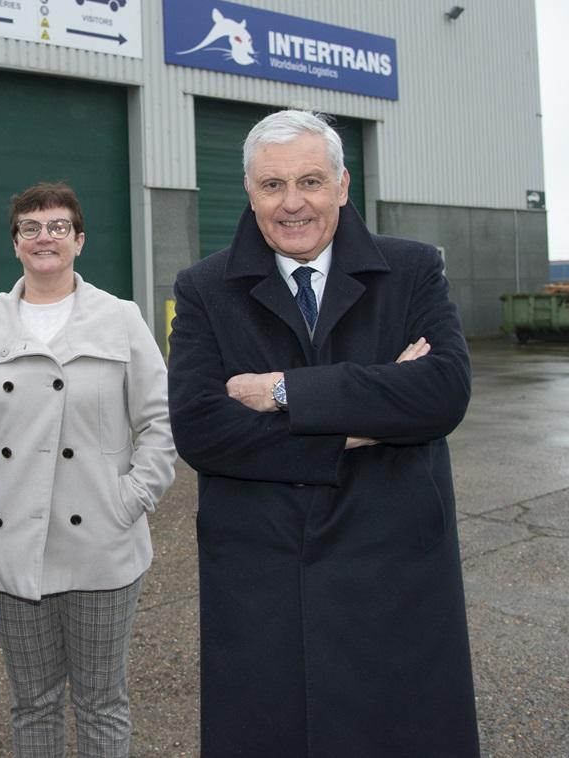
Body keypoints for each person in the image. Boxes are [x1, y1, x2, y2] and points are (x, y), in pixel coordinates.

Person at [167, 109, 478, 756]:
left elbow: (443, 392)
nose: (293, 203)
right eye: (272, 185)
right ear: (249, 194)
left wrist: (283, 393)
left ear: (342, 184)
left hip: (395, 577)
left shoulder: (412, 269)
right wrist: (364, 423)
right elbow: (201, 429)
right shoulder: (203, 290)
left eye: (310, 181)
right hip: (265, 581)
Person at [0, 181, 177, 758]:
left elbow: (160, 419)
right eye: (31, 228)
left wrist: (131, 499)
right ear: (15, 243)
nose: (46, 238)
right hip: (11, 543)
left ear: (80, 240)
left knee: (101, 703)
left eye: (59, 226)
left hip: (100, 544)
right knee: (33, 703)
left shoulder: (119, 318)